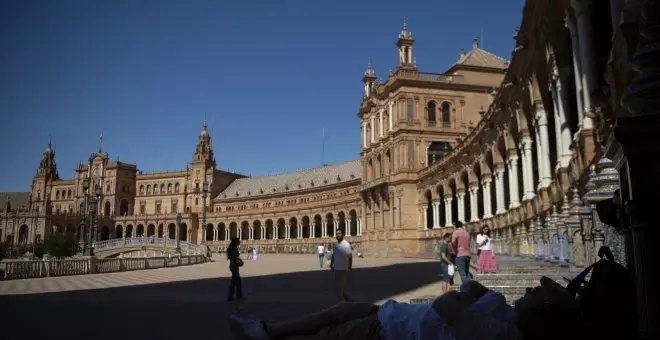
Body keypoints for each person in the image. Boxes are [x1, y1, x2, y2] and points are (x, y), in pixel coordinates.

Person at [228, 277, 582, 340]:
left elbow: (448, 303)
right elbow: (465, 294)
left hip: (392, 331)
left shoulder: (498, 331)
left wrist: (467, 294)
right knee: (335, 311)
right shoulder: (501, 310)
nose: (530, 287)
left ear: (545, 307)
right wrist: (469, 294)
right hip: (393, 313)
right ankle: (267, 329)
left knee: (327, 335)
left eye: (537, 291)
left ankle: (264, 335)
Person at [330, 228, 353, 302]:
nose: (338, 235)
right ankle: (351, 302)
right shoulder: (335, 245)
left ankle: (340, 306)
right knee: (341, 290)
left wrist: (349, 268)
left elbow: (350, 257)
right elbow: (334, 254)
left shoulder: (346, 244)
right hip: (336, 269)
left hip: (343, 269)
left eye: (339, 233)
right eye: (337, 234)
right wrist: (331, 263)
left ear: (342, 234)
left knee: (338, 291)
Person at [226, 237, 244, 301]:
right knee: (238, 281)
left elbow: (236, 257)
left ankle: (231, 296)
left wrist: (240, 260)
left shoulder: (234, 248)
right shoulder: (233, 248)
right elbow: (233, 258)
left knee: (233, 282)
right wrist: (239, 262)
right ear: (236, 242)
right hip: (233, 265)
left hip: (234, 266)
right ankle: (238, 296)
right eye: (238, 241)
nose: (239, 241)